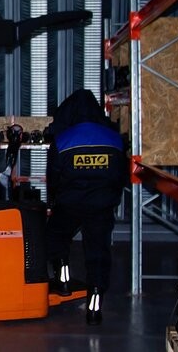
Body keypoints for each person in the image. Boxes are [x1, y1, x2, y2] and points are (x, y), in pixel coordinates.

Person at [44, 89, 127, 325]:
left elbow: (54, 178)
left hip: (70, 203)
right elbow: (120, 176)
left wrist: (54, 201)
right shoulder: (114, 139)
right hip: (101, 206)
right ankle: (95, 305)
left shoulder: (63, 139)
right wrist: (110, 199)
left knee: (56, 236)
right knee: (98, 252)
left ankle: (63, 279)